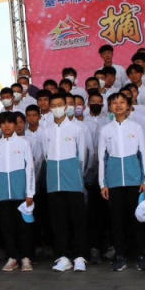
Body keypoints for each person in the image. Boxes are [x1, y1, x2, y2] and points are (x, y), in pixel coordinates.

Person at [98, 92, 145, 271]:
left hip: (134, 182)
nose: (118, 105)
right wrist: (103, 184)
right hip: (113, 183)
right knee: (117, 221)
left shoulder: (136, 127)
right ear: (110, 107)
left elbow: (143, 154)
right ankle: (120, 255)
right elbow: (102, 158)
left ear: (129, 106)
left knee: (137, 220)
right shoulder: (105, 130)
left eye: (122, 102)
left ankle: (141, 255)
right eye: (114, 103)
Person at [40, 92, 89, 272]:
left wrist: (76, 174)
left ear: (67, 107)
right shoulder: (47, 131)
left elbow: (83, 156)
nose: (58, 108)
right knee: (58, 220)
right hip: (54, 181)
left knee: (77, 219)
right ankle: (63, 256)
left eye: (61, 104)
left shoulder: (77, 129)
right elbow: (46, 156)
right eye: (54, 105)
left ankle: (80, 256)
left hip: (73, 181)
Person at [0, 112, 36, 272]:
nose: (6, 126)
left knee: (23, 226)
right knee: (6, 226)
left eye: (10, 123)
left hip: (21, 192)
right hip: (3, 193)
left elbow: (30, 168)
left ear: (15, 125)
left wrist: (30, 192)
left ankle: (26, 257)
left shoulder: (23, 143)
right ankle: (13, 257)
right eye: (3, 123)